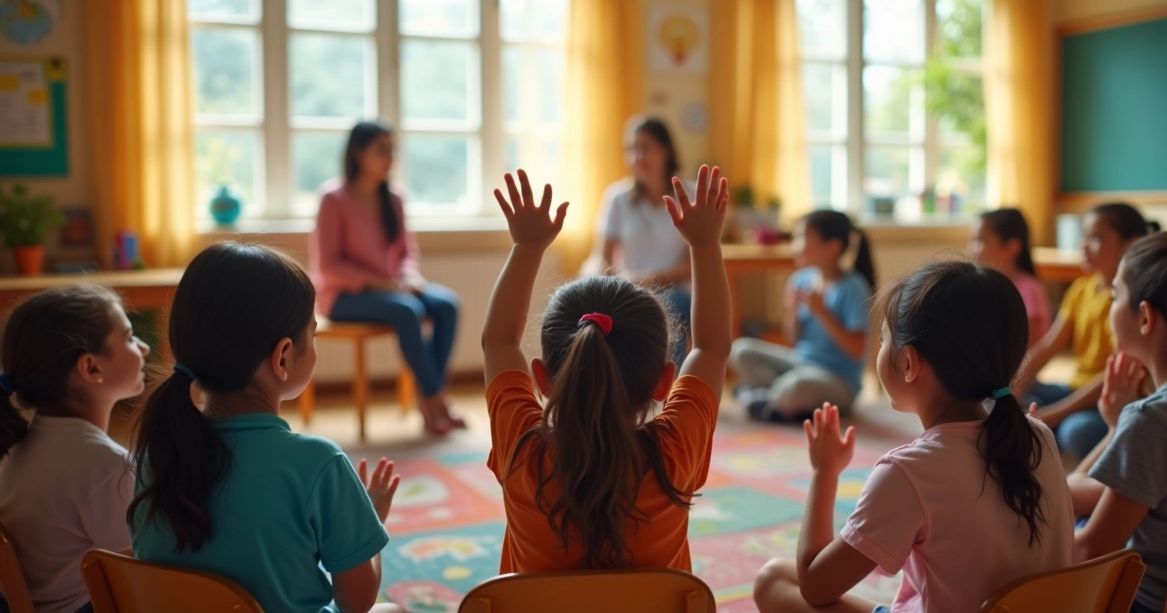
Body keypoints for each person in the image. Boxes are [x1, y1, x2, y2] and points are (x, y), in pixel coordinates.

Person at [753, 261, 1074, 613]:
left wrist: (824, 472)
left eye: (883, 339)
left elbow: (815, 586)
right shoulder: (1039, 436)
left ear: (908, 363)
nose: (880, 349)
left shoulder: (908, 473)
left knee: (772, 580)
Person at [127, 242, 404, 613]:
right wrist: (368, 522)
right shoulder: (317, 463)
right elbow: (356, 602)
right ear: (283, 357)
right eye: (313, 335)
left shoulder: (157, 453)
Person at [482, 165, 731, 570]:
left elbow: (498, 343)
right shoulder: (675, 452)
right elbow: (713, 348)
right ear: (664, 382)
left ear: (543, 379)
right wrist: (705, 245)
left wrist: (526, 247)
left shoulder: (522, 451)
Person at [1070, 231, 1167, 613]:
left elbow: (1088, 551)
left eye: (1115, 295)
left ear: (1146, 317)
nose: (1109, 304)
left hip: (1144, 604)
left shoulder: (1155, 422)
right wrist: (1117, 427)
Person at [0, 285, 149, 613]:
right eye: (128, 338)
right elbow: (141, 581)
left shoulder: (14, 447)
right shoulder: (107, 467)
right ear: (91, 368)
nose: (144, 347)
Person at [311, 121, 463, 435]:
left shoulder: (394, 197)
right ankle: (434, 400)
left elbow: (407, 252)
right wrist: (384, 283)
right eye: (382, 150)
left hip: (393, 288)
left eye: (392, 150)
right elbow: (328, 265)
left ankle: (433, 393)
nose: (390, 158)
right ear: (358, 153)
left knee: (447, 304)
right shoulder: (333, 198)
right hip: (342, 296)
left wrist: (409, 276)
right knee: (408, 310)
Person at [1018, 202, 1156, 458]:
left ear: (1129, 245)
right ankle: (1044, 428)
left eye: (1095, 238)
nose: (1083, 245)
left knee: (1075, 432)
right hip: (1075, 388)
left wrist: (1055, 414)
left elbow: (1115, 374)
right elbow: (1049, 345)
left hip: (1113, 400)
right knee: (1010, 395)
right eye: (1084, 236)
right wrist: (1012, 386)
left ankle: (1047, 429)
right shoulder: (1081, 289)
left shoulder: (1131, 301)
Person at [730, 211, 875, 423]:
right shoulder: (801, 280)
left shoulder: (853, 288)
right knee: (740, 350)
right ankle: (776, 402)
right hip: (801, 364)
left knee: (798, 386)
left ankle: (766, 399)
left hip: (838, 380)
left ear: (832, 247)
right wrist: (792, 311)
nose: (795, 245)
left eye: (803, 238)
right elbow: (793, 340)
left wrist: (822, 312)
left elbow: (857, 349)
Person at [589, 117, 693, 366]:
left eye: (644, 147)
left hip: (676, 291)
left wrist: (652, 279)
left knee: (667, 311)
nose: (637, 157)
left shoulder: (689, 195)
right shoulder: (617, 198)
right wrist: (607, 282)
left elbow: (694, 265)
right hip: (629, 288)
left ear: (666, 150)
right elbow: (602, 256)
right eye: (631, 149)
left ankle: (670, 385)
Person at [969, 208, 1050, 342]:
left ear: (1011, 247)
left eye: (980, 240)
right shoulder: (981, 286)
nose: (972, 248)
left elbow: (1028, 346)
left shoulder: (1029, 290)